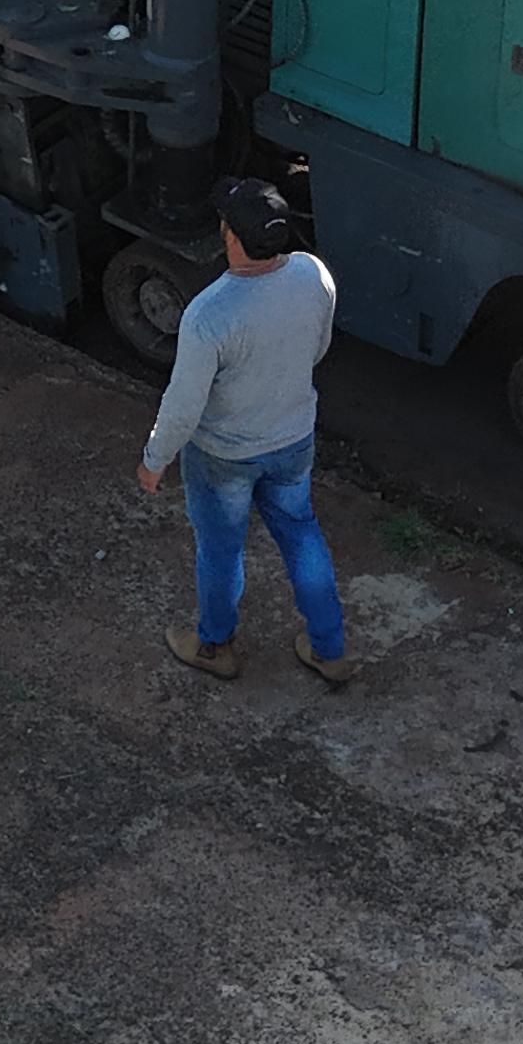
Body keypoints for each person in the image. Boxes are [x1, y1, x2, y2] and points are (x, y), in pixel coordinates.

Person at [134, 177, 355, 685]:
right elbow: (317, 348)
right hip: (293, 439)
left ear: (229, 236)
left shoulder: (211, 313)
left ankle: (214, 646)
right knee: (301, 534)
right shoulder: (312, 273)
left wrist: (154, 458)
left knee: (220, 549)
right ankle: (330, 650)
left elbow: (184, 405)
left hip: (223, 456)